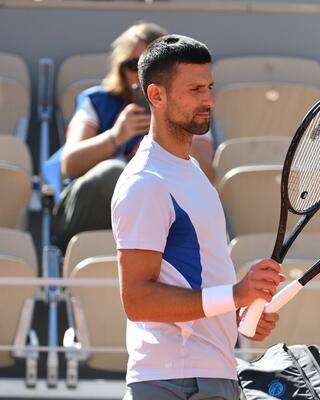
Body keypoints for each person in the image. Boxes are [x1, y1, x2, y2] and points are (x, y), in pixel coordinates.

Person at [111, 34, 284, 400]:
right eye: (194, 89)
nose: (209, 100)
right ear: (156, 95)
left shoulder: (193, 174)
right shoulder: (145, 183)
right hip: (174, 383)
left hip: (210, 377)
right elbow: (138, 300)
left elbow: (193, 283)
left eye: (209, 87)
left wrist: (237, 312)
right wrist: (236, 293)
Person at [53, 22, 216, 252]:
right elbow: (69, 164)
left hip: (155, 217)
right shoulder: (97, 101)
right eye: (134, 65)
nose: (141, 75)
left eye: (153, 67)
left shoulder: (187, 107)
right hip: (86, 215)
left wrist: (179, 127)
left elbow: (206, 176)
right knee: (116, 173)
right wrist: (116, 136)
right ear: (119, 67)